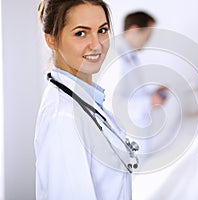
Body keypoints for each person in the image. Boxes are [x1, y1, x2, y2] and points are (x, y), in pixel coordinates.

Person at [35, 0, 138, 199]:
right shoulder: (64, 119)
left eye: (102, 30)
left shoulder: (86, 103)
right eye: (81, 33)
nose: (97, 44)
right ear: (51, 40)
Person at [100, 11, 167, 153]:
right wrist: (148, 101)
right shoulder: (116, 59)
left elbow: (132, 94)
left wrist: (152, 96)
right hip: (125, 140)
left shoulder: (130, 58)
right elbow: (112, 103)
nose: (147, 41)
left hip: (136, 138)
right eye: (147, 36)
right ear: (134, 30)